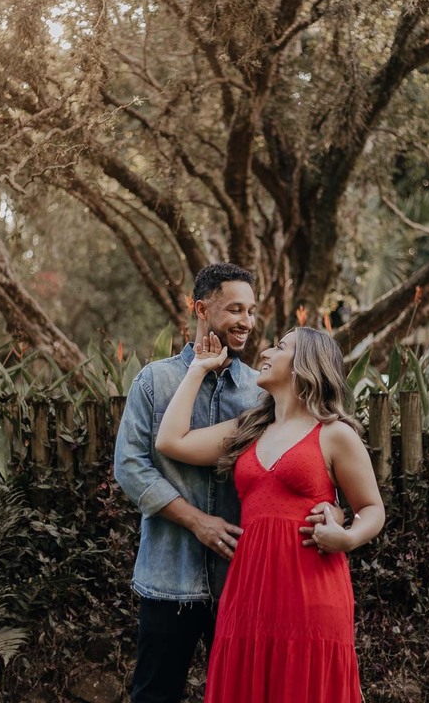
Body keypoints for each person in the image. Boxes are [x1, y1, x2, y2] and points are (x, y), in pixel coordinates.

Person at [155, 326, 386, 703]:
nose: (264, 352)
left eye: (280, 347)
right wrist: (197, 368)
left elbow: (372, 508)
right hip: (248, 591)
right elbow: (171, 442)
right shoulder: (249, 429)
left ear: (304, 366)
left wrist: (347, 537)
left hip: (311, 591)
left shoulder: (333, 433)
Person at [113, 263, 262, 703]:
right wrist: (198, 521)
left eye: (251, 311)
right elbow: (130, 467)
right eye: (235, 309)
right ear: (201, 308)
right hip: (167, 579)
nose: (246, 322)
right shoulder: (154, 381)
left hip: (239, 580)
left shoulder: (260, 392)